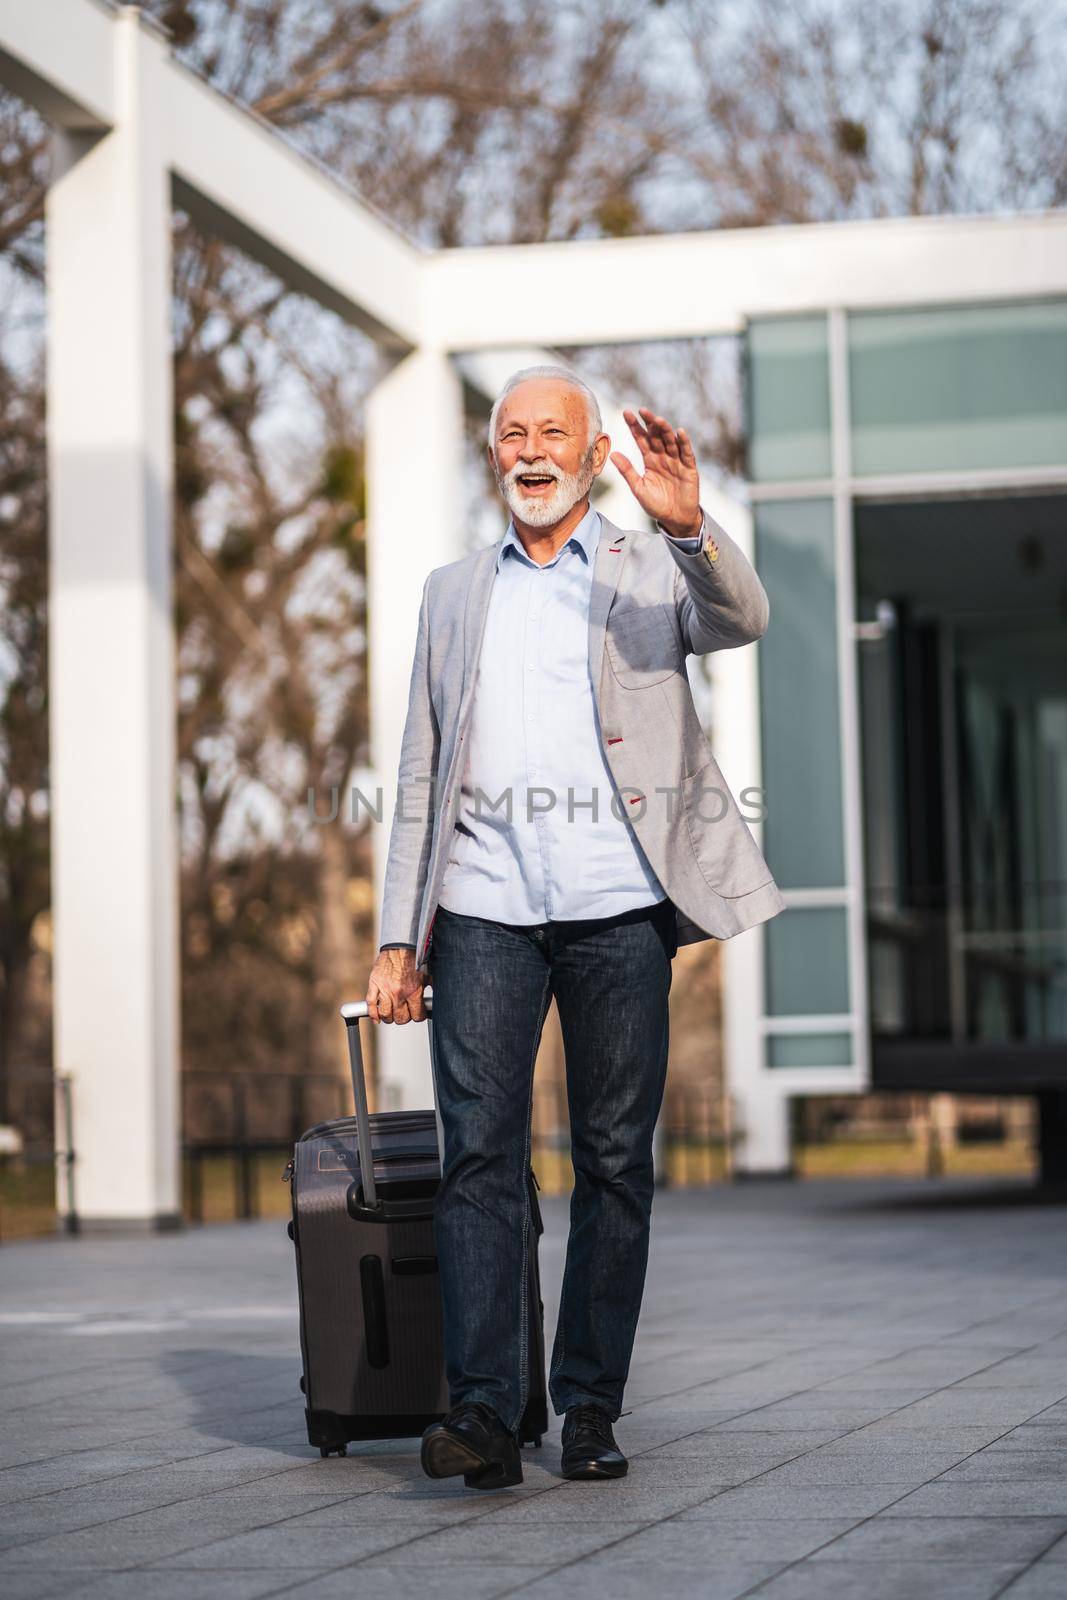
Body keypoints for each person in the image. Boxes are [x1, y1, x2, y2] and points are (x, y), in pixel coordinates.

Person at [365, 365, 784, 1489]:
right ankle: (488, 1412)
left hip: (617, 910)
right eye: (513, 433)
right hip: (484, 910)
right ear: (493, 455)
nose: (532, 449)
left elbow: (741, 619)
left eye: (555, 431)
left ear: (594, 454)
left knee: (611, 1164)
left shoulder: (648, 565)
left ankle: (590, 1406)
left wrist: (691, 526)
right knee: (478, 1164)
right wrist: (397, 935)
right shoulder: (452, 591)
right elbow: (418, 767)